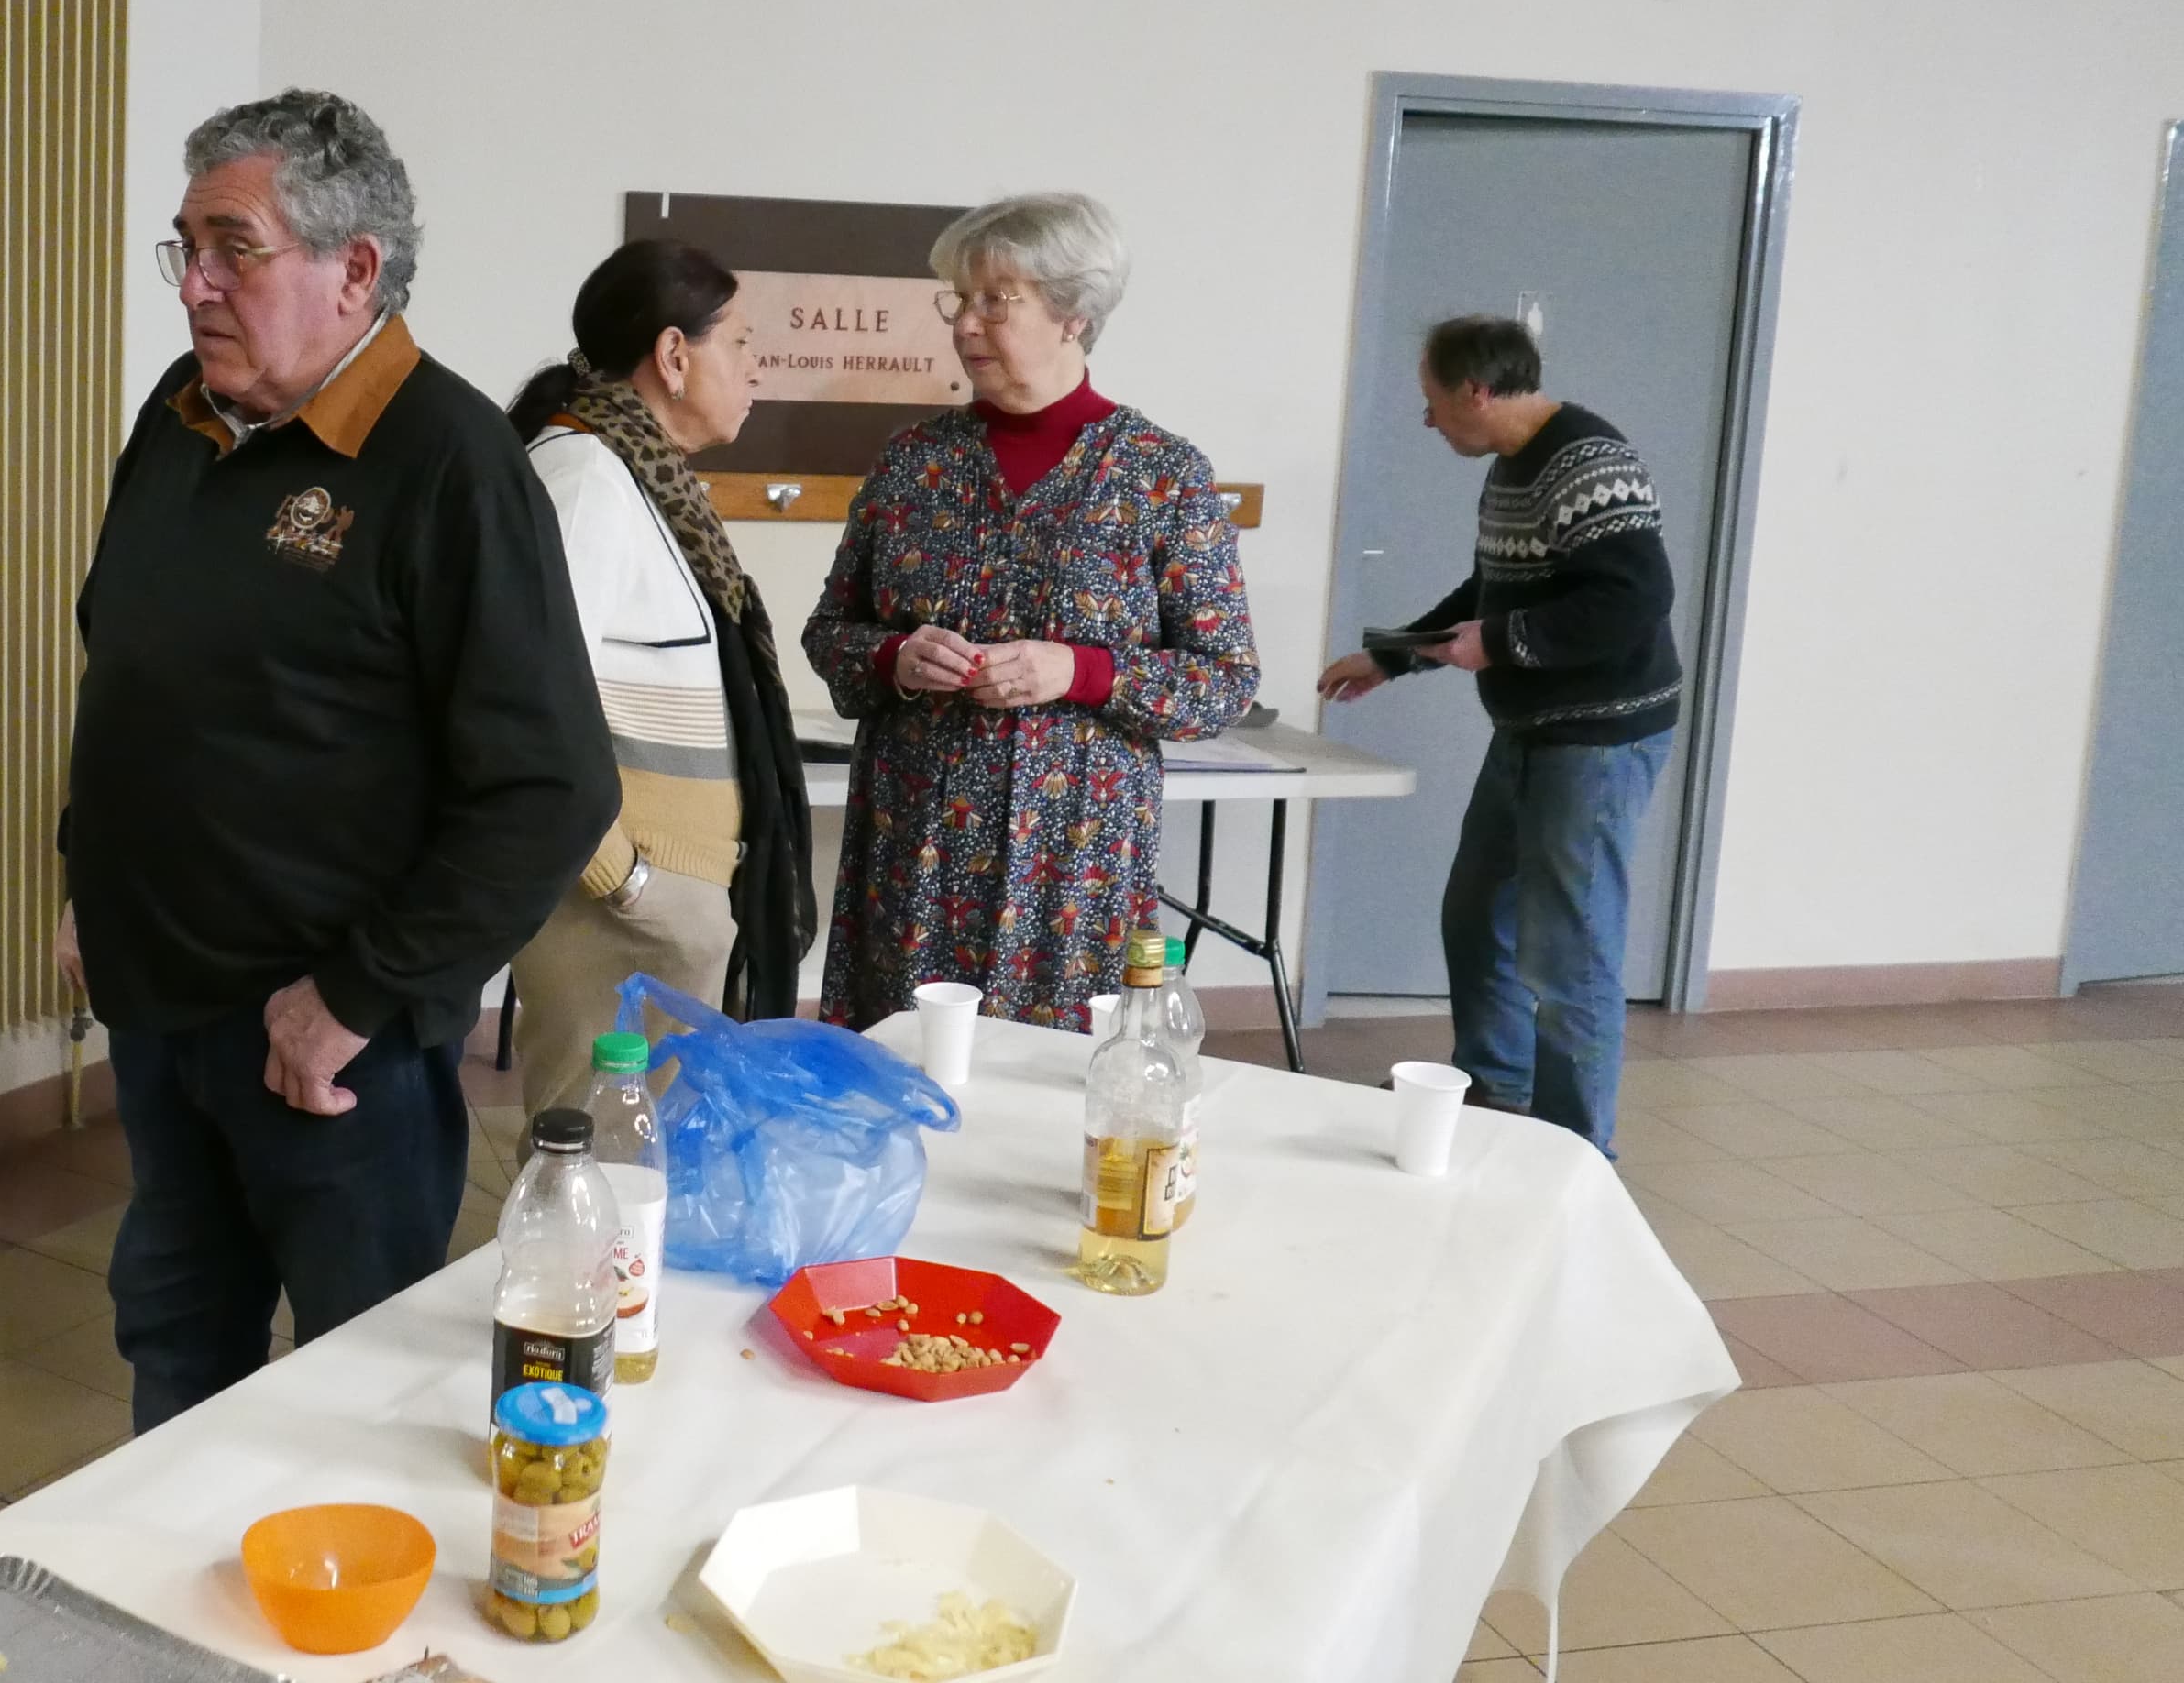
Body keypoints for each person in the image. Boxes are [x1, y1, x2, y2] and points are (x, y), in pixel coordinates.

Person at [58, 89, 615, 1431]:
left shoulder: (451, 464)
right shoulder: (181, 414)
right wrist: (91, 879)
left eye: (232, 249)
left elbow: (550, 789)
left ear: (354, 268)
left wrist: (356, 995)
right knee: (176, 1341)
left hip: (329, 1043)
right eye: (187, 246)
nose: (194, 284)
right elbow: (126, 668)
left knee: (353, 1387)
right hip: (163, 1003)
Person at [805, 192, 1260, 1031]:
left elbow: (1223, 681)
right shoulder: (913, 463)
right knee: (905, 1061)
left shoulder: (1161, 475)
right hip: (915, 847)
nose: (965, 324)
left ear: (1074, 315)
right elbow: (830, 632)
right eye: (958, 300)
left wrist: (1079, 671)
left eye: (995, 300)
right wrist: (894, 658)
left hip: (1076, 858)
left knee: (1056, 1073)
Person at [1318, 314, 1679, 1154]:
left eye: (1433, 402)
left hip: (1597, 741)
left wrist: (1504, 643)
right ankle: (1495, 1088)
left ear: (1476, 392)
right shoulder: (1514, 465)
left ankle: (1576, 1154)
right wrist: (1393, 658)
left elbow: (1634, 600)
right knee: (1479, 916)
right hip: (1530, 731)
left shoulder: (1590, 461)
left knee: (1569, 954)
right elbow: (1491, 589)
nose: (1429, 420)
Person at [500, 239, 814, 1106]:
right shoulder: (584, 481)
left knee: (648, 1155)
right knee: (596, 1153)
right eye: (741, 343)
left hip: (663, 903)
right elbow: (521, 710)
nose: (757, 368)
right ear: (674, 356)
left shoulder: (638, 474)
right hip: (614, 909)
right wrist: (633, 884)